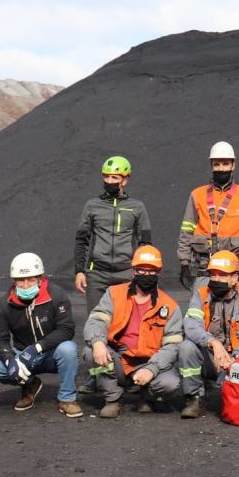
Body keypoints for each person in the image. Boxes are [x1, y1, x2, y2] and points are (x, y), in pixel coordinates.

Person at [73, 155, 152, 394]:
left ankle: (131, 372)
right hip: (97, 274)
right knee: (96, 325)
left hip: (127, 273)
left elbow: (145, 242)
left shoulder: (137, 207)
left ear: (125, 180)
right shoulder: (92, 205)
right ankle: (95, 378)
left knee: (129, 325)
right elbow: (81, 239)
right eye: (106, 176)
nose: (109, 181)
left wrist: (140, 274)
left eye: (115, 177)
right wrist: (79, 270)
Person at [82, 246, 184, 418]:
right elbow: (97, 320)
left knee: (170, 383)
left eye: (151, 271)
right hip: (119, 360)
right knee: (91, 352)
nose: (146, 275)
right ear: (133, 271)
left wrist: (152, 369)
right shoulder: (114, 293)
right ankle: (113, 399)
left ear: (159, 272)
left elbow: (173, 346)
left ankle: (147, 396)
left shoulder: (170, 306)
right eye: (141, 270)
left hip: (149, 361)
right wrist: (98, 342)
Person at [0, 252, 82, 417]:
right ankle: (30, 385)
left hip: (51, 353)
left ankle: (67, 398)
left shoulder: (56, 295)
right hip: (22, 355)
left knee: (68, 349)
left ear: (41, 278)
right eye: (21, 280)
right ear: (14, 281)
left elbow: (66, 329)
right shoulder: (4, 304)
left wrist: (37, 348)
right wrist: (9, 360)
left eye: (31, 279)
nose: (26, 285)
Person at [177, 250, 239, 418]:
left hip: (238, 359)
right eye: (213, 275)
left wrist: (235, 358)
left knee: (238, 409)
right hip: (211, 355)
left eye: (222, 275)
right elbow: (191, 325)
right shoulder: (201, 294)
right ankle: (195, 398)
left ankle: (232, 394)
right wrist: (213, 342)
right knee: (186, 347)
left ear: (235, 277)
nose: (216, 279)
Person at [177, 141, 239, 289]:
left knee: (234, 310)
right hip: (204, 269)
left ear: (233, 165)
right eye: (216, 164)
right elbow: (186, 232)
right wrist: (184, 265)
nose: (221, 168)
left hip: (234, 271)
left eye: (225, 164)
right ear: (211, 166)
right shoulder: (197, 195)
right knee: (201, 309)